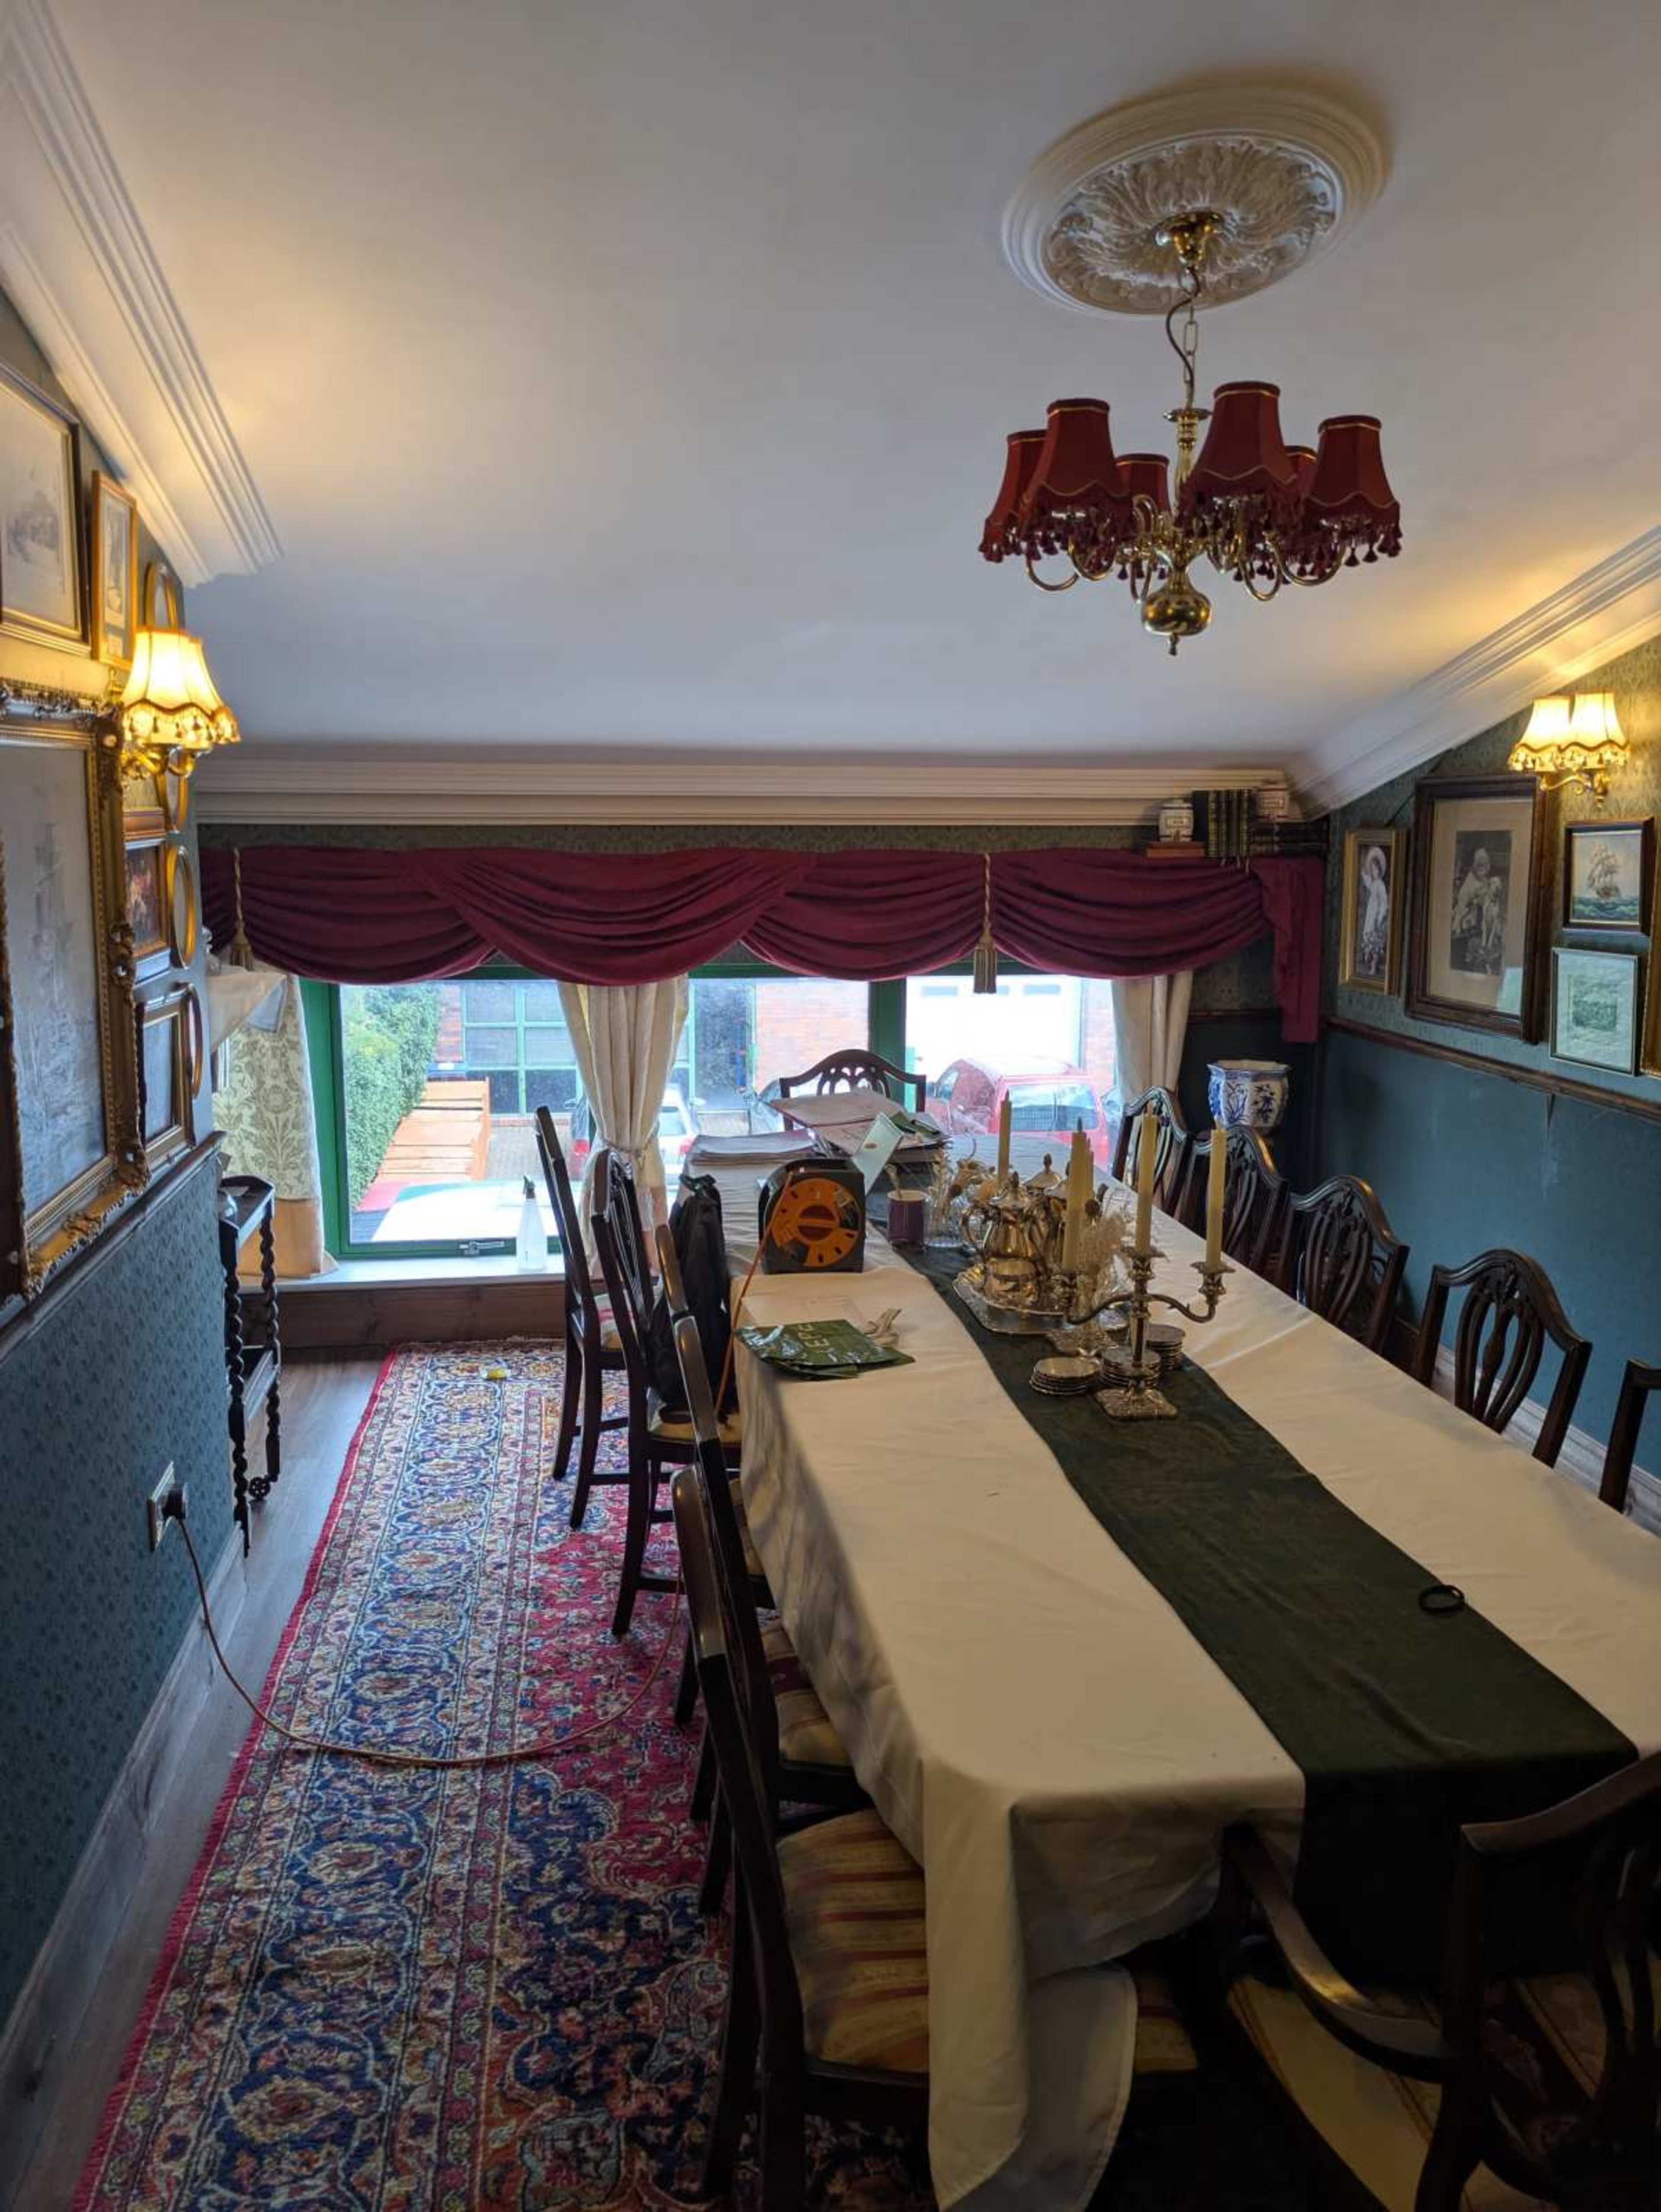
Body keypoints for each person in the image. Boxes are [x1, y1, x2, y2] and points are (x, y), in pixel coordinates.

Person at [1450, 847, 1504, 974]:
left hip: (1483, 931)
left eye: (1486, 861)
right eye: (1479, 861)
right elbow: (1461, 910)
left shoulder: (1488, 882)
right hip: (1466, 932)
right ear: (1472, 865)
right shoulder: (1469, 884)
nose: (1483, 865)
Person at [1356, 844, 1389, 975]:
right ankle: (1370, 964)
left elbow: (1384, 902)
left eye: (1376, 870)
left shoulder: (1381, 884)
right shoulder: (1374, 883)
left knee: (1375, 941)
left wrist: (1380, 917)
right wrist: (1364, 873)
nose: (1374, 872)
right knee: (1368, 938)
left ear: (1380, 870)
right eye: (1372, 870)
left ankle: (1374, 966)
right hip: (1371, 914)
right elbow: (1368, 883)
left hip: (1376, 916)